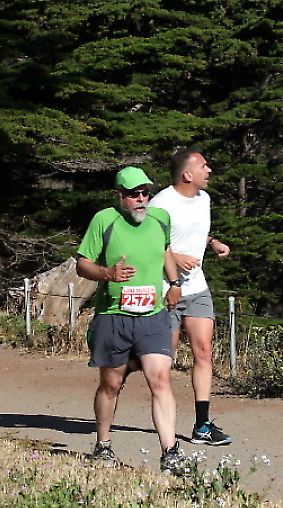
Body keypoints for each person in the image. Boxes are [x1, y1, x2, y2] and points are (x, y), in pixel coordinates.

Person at [76, 166, 184, 474]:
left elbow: (166, 250)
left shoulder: (160, 218)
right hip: (114, 316)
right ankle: (103, 445)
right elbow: (82, 264)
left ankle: (170, 452)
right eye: (133, 194)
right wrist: (107, 273)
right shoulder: (104, 220)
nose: (140, 199)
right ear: (118, 196)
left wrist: (174, 283)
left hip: (152, 316)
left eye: (145, 193)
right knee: (111, 384)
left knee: (160, 378)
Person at [149, 147, 232, 446]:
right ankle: (166, 426)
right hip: (166, 290)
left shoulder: (204, 199)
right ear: (187, 174)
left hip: (196, 287)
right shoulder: (161, 203)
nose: (209, 170)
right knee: (164, 361)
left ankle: (202, 425)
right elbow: (148, 244)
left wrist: (212, 242)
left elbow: (194, 232)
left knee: (204, 352)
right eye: (204, 166)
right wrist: (175, 257)